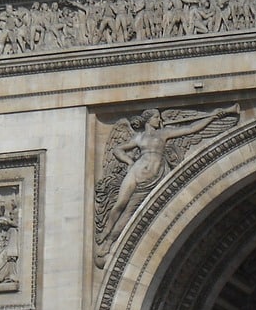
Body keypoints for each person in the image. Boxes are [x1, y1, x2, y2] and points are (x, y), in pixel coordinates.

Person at [100, 104, 239, 247]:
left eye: (159, 118)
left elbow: (191, 128)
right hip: (136, 171)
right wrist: (128, 161)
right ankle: (106, 231)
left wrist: (211, 116)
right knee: (120, 204)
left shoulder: (164, 133)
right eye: (156, 117)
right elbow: (117, 149)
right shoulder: (139, 137)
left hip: (152, 177)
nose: (158, 120)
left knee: (129, 210)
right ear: (148, 120)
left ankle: (109, 242)